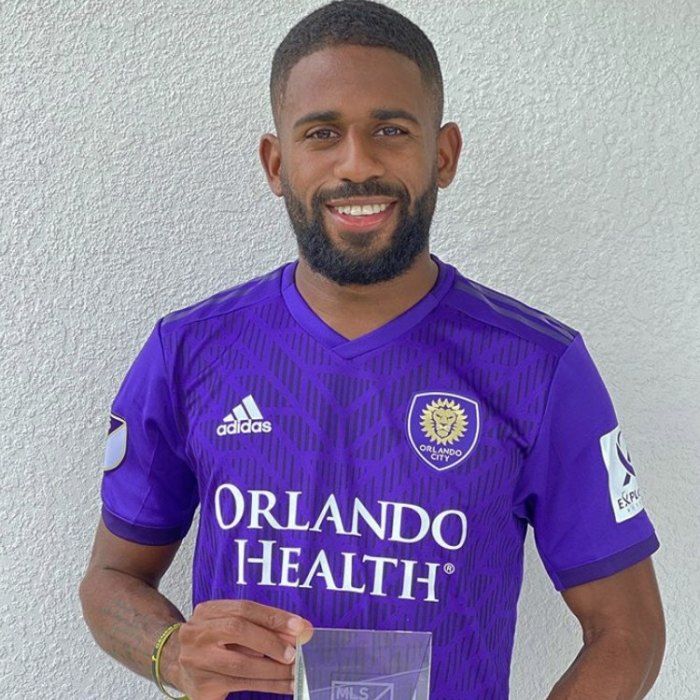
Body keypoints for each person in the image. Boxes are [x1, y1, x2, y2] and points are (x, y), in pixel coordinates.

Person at [79, 1, 665, 698]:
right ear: (276, 163)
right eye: (322, 133)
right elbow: (112, 577)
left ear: (442, 155)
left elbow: (627, 630)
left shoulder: (538, 367)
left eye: (390, 129)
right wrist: (171, 652)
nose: (356, 164)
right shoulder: (191, 351)